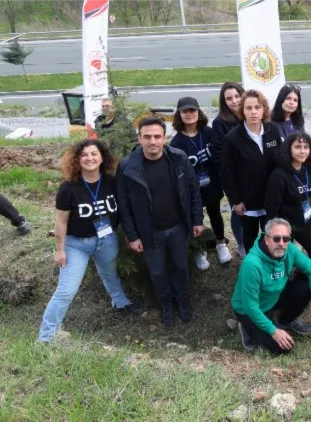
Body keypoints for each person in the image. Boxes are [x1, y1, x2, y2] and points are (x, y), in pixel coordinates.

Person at [39, 139, 142, 342]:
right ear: (77, 159)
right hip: (76, 244)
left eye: (94, 154)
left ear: (102, 157)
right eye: (84, 154)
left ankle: (120, 301)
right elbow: (61, 222)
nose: (90, 158)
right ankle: (46, 337)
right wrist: (59, 249)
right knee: (66, 291)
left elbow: (124, 210)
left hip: (107, 239)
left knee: (109, 273)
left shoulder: (112, 182)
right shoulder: (68, 188)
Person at [117, 117, 205, 327]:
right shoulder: (128, 166)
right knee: (157, 272)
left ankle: (182, 300)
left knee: (180, 266)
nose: (152, 141)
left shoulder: (178, 158)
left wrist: (197, 219)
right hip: (149, 233)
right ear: (139, 139)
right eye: (147, 137)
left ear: (165, 138)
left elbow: (193, 191)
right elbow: (124, 205)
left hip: (178, 228)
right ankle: (166, 304)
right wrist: (132, 235)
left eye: (157, 136)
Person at [231, 218, 311, 355]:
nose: (281, 243)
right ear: (267, 239)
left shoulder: (289, 249)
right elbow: (250, 306)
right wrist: (273, 331)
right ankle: (246, 326)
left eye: (286, 239)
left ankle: (286, 320)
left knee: (308, 287)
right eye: (276, 238)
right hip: (249, 309)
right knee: (284, 348)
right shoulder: (252, 264)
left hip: (273, 296)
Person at [170, 97, 232, 269]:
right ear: (179, 114)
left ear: (198, 112)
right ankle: (198, 250)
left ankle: (220, 244)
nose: (189, 114)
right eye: (185, 111)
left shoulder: (208, 132)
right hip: (192, 187)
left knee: (215, 213)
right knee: (195, 218)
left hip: (211, 182)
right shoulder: (176, 143)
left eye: (192, 110)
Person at [221, 90, 285, 253]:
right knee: (250, 239)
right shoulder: (232, 139)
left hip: (270, 198)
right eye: (249, 108)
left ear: (264, 109)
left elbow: (280, 163)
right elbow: (227, 173)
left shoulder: (273, 130)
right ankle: (252, 268)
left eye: (258, 107)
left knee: (270, 236)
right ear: (242, 111)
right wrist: (236, 201)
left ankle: (270, 265)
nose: (254, 112)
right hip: (247, 202)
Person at [265, 132, 311, 267]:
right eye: (298, 147)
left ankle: (305, 279)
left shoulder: (307, 170)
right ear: (289, 149)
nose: (302, 151)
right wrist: (276, 233)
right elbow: (271, 209)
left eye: (306, 147)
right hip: (285, 226)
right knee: (282, 261)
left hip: (304, 223)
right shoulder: (279, 175)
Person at [211, 82, 246, 256]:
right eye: (229, 98)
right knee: (238, 210)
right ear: (224, 101)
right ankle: (241, 243)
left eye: (237, 96)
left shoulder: (251, 114)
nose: (234, 101)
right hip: (233, 178)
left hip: (253, 175)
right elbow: (218, 155)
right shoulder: (220, 123)